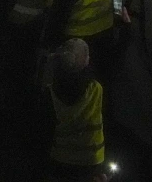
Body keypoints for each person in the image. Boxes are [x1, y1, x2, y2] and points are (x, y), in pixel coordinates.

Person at [43, 39, 106, 178]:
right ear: (86, 61)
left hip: (61, 156)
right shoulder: (96, 89)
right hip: (91, 158)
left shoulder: (51, 92)